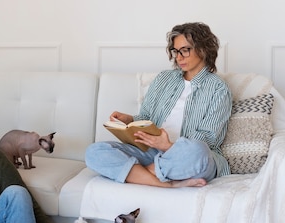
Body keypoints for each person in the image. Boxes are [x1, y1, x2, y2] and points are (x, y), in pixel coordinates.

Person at [85, 22, 232, 187]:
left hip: (186, 156)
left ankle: (138, 173)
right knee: (94, 152)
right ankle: (167, 183)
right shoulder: (164, 78)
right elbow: (146, 118)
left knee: (198, 151)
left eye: (185, 50)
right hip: (150, 150)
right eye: (175, 51)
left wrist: (169, 146)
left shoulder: (218, 88)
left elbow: (209, 139)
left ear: (203, 49)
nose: (179, 57)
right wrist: (129, 120)